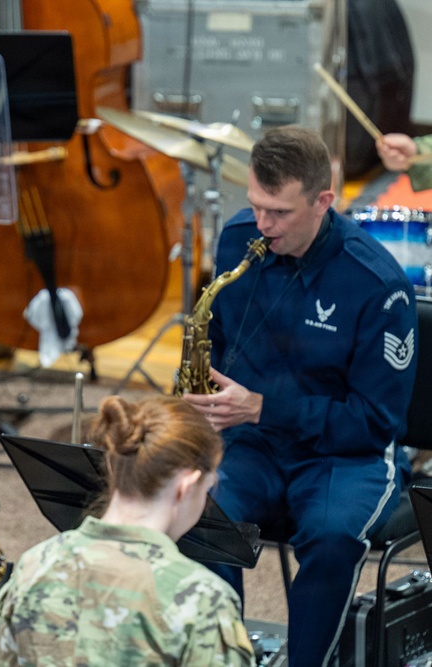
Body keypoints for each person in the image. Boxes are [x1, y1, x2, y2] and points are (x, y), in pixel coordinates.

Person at [182, 126, 418, 666]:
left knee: (332, 538)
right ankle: (226, 657)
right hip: (253, 444)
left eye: (280, 213)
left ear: (323, 201)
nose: (262, 226)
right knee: (194, 512)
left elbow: (375, 424)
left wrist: (265, 406)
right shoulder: (239, 240)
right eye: (256, 206)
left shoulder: (377, 285)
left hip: (346, 457)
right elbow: (214, 343)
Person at [0, 395, 253, 667]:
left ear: (109, 463)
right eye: (208, 489)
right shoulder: (203, 600)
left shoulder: (34, 566)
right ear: (187, 485)